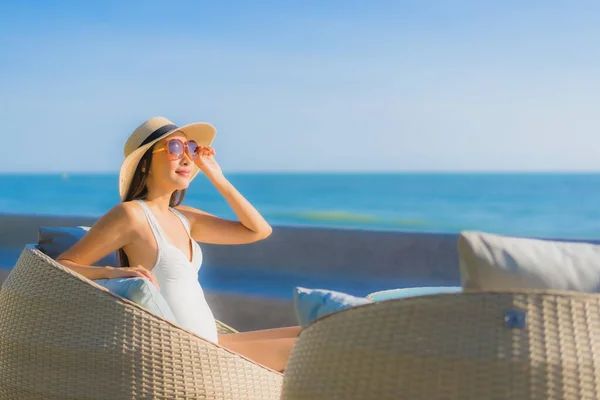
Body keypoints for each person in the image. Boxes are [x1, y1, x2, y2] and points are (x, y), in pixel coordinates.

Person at [56, 117, 300, 372]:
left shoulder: (185, 217)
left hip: (210, 342)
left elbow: (259, 230)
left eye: (190, 149)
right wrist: (113, 273)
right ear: (144, 165)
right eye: (174, 148)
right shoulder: (130, 215)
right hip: (188, 355)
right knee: (310, 349)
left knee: (315, 331)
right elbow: (63, 266)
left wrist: (216, 176)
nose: (185, 158)